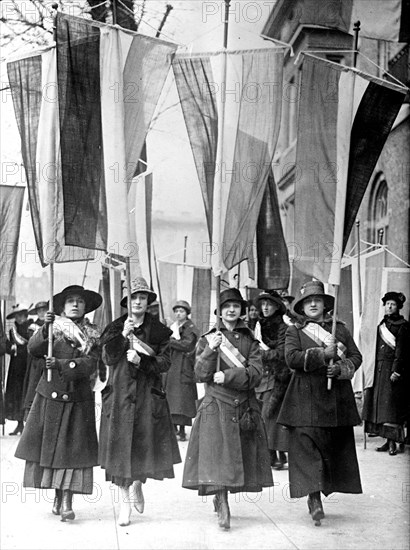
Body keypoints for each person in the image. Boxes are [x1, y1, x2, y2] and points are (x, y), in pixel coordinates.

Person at [182, 288, 273, 531]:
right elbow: (200, 374)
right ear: (219, 312)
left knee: (238, 457)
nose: (231, 310)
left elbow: (256, 374)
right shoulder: (208, 338)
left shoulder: (251, 340)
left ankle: (223, 496)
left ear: (241, 310)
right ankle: (221, 500)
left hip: (243, 404)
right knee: (217, 457)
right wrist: (211, 349)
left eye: (235, 306)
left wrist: (227, 375)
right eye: (226, 306)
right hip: (215, 404)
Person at [278, 280, 362, 525]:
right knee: (306, 448)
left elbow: (356, 357)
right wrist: (321, 355)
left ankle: (321, 490)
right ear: (301, 307)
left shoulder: (340, 329)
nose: (313, 304)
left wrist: (340, 370)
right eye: (307, 302)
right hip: (304, 399)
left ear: (325, 304)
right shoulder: (294, 330)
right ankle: (313, 497)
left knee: (329, 450)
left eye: (317, 300)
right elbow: (291, 358)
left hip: (334, 399)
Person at [15, 285, 102, 521]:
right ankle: (56, 495)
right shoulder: (54, 328)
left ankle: (67, 500)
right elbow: (33, 349)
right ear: (62, 307)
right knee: (52, 450)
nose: (75, 304)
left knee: (72, 452)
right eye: (70, 301)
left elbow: (91, 363)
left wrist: (63, 366)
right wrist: (46, 327)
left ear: (86, 307)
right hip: (50, 396)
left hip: (77, 398)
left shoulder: (92, 334)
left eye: (80, 301)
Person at [99, 277, 181, 527]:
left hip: (147, 396)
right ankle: (125, 503)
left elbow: (165, 363)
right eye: (134, 297)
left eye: (142, 298)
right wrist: (122, 337)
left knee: (144, 447)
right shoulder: (115, 327)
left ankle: (137, 484)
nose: (138, 302)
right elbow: (108, 359)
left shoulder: (159, 330)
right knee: (121, 451)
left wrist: (142, 361)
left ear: (148, 302)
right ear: (127, 301)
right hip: (120, 396)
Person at [362, 291, 409, 455]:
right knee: (380, 407)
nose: (389, 306)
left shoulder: (403, 326)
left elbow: (401, 352)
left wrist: (396, 370)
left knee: (391, 408)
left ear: (398, 307)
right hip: (379, 369)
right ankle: (386, 441)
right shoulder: (381, 325)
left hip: (392, 370)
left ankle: (393, 443)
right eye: (387, 304)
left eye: (393, 304)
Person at [254, 290, 291, 470]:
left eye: (269, 304)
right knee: (262, 414)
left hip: (277, 375)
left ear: (277, 306)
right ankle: (271, 453)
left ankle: (276, 453)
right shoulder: (258, 325)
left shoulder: (283, 328)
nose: (265, 307)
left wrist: (261, 354)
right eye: (263, 304)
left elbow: (282, 353)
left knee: (270, 416)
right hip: (261, 375)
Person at [165, 300, 199, 441]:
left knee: (183, 399)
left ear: (187, 313)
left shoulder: (190, 327)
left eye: (182, 311)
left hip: (184, 366)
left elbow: (187, 344)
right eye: (177, 311)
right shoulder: (173, 326)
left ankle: (182, 429)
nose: (179, 314)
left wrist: (171, 341)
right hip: (173, 365)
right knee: (171, 397)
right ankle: (173, 428)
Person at [5, 304, 32, 435]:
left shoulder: (31, 328)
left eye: (22, 315)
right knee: (16, 393)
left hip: (28, 364)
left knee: (27, 391)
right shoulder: (12, 331)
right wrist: (11, 348)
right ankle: (19, 424)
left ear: (26, 315)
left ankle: (29, 426)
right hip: (16, 366)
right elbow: (11, 346)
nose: (20, 318)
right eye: (17, 315)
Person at [21, 301, 48, 420]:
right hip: (37, 362)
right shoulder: (34, 327)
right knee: (34, 387)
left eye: (44, 310)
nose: (42, 313)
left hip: (50, 360)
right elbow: (34, 346)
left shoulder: (54, 324)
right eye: (39, 311)